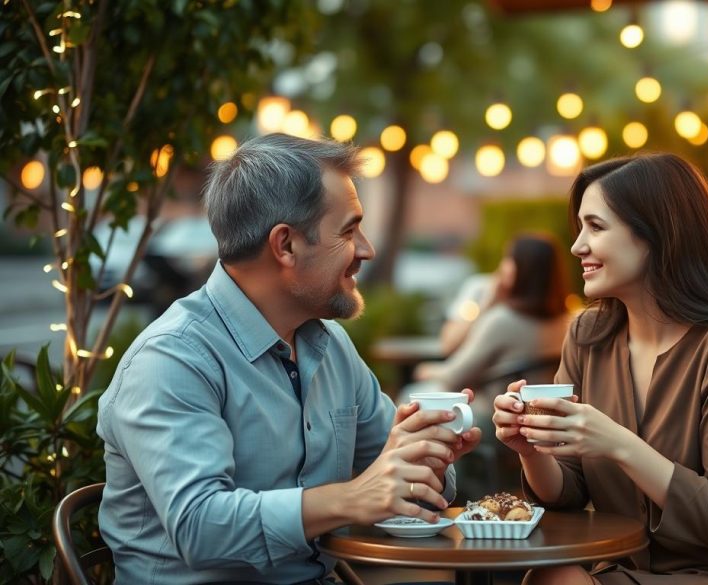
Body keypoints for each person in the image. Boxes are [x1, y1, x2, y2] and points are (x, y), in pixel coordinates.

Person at [96, 134, 481, 584]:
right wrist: (352, 498)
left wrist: (426, 456)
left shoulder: (331, 346)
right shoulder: (173, 358)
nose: (367, 249)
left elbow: (413, 492)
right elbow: (199, 526)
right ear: (286, 246)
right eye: (349, 229)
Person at [493, 154, 708, 584]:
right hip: (624, 570)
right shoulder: (589, 335)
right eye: (579, 227)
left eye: (596, 227)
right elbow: (567, 493)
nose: (577, 245)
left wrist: (617, 442)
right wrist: (532, 450)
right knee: (550, 575)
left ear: (656, 236)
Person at [413, 233, 570, 396]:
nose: (502, 267)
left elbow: (453, 377)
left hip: (491, 408)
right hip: (537, 407)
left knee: (411, 394)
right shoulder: (565, 323)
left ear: (523, 268)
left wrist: (426, 370)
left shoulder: (502, 321)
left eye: (509, 259)